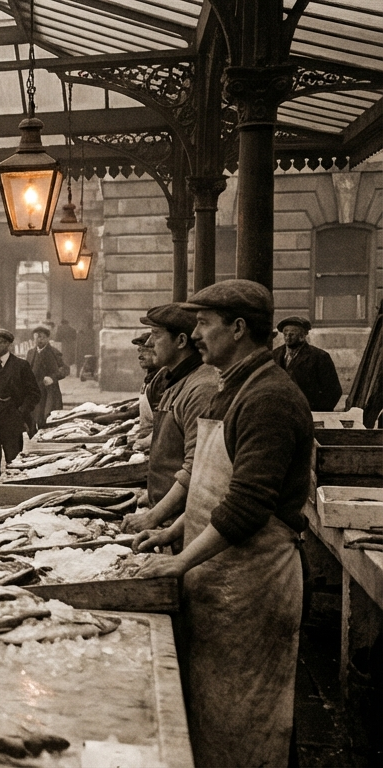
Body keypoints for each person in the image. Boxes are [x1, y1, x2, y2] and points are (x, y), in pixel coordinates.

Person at [135, 280, 311, 768]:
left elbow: (246, 506)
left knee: (251, 724)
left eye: (204, 323)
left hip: (254, 584)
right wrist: (171, 530)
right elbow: (208, 482)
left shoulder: (269, 397)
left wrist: (179, 563)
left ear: (237, 329)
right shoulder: (230, 387)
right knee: (215, 720)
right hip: (220, 580)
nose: (195, 334)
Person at [122, 304, 219, 533]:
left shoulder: (202, 388)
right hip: (169, 518)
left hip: (186, 524)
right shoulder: (175, 380)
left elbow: (196, 469)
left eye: (156, 334)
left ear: (181, 341)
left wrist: (154, 517)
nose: (149, 343)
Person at [0, 328, 39, 503]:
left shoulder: (21, 366)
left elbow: (34, 393)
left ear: (8, 344)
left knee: (14, 460)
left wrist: (20, 412)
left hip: (12, 421)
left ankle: (14, 498)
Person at [273, 316, 343, 411]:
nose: (288, 337)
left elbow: (334, 391)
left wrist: (316, 411)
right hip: (281, 411)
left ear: (302, 336)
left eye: (292, 334)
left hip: (309, 411)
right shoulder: (275, 355)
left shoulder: (319, 357)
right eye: (285, 334)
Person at [26, 326, 67, 429]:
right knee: (34, 417)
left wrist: (52, 378)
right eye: (36, 338)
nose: (39, 340)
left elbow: (64, 369)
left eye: (42, 337)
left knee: (48, 417)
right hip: (35, 390)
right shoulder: (31, 353)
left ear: (47, 338)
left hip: (50, 391)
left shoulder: (54, 352)